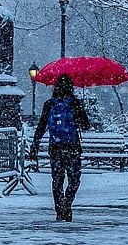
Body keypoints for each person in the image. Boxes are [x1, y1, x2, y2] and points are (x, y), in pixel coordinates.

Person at [28, 74, 89, 222]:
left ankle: (59, 209)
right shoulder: (75, 103)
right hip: (72, 147)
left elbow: (41, 126)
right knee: (74, 179)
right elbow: (86, 125)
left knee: (57, 179)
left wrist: (35, 145)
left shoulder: (49, 104)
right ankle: (67, 204)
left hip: (55, 147)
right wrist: (80, 112)